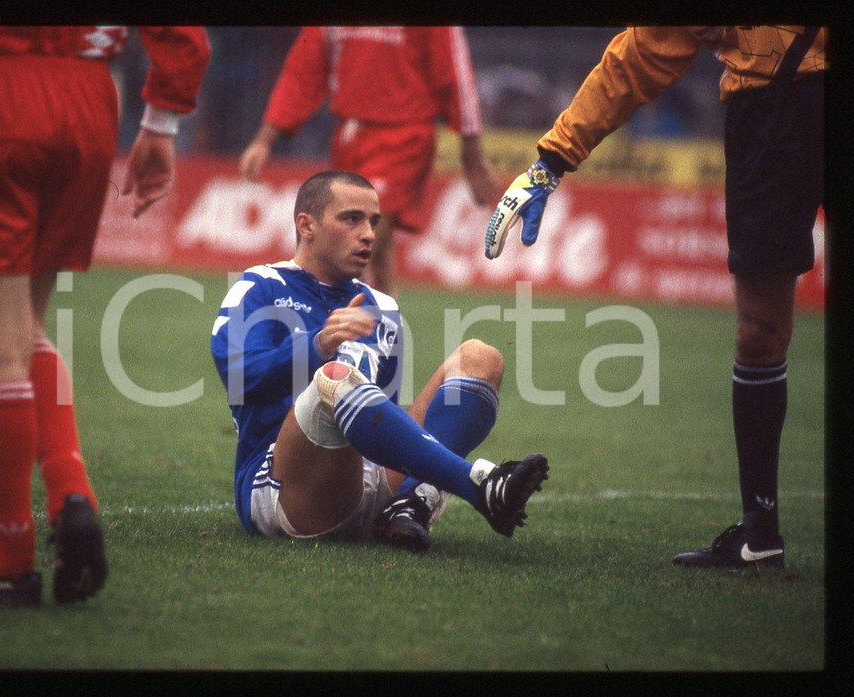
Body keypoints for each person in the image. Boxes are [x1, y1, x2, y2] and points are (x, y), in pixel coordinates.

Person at [0, 26, 211, 606]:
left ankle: (9, 564)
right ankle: (70, 496)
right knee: (26, 322)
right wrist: (161, 121)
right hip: (86, 98)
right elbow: (182, 31)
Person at [484, 26, 826, 568]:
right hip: (771, 106)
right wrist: (551, 159)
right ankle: (760, 533)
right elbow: (640, 53)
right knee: (760, 331)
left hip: (778, 106)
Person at [211, 170, 548, 551]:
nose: (369, 234)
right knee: (335, 377)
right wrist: (317, 345)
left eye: (373, 221)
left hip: (362, 480)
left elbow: (382, 421)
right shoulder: (259, 288)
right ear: (306, 225)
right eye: (351, 219)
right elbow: (242, 378)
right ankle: (479, 485)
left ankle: (411, 502)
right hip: (285, 489)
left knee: (481, 357)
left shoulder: (382, 308)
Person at [239, 26, 500, 297]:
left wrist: (472, 152)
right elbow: (303, 71)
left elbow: (455, 74)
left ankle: (325, 329)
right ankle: (389, 330)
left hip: (402, 136)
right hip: (349, 135)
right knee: (378, 253)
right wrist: (264, 139)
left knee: (352, 244)